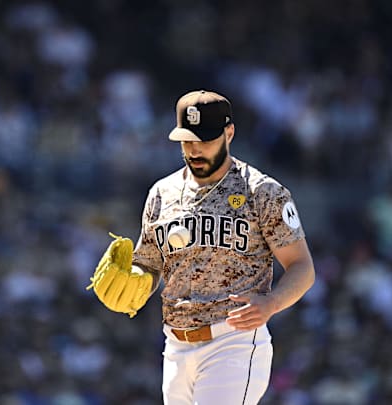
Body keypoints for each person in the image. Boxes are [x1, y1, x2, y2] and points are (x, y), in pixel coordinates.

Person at [95, 90, 315, 404]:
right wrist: (134, 278)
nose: (195, 149)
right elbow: (149, 264)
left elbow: (302, 266)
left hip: (234, 341)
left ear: (229, 133)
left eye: (205, 139)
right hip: (175, 346)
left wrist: (273, 302)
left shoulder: (263, 192)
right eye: (187, 140)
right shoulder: (162, 193)